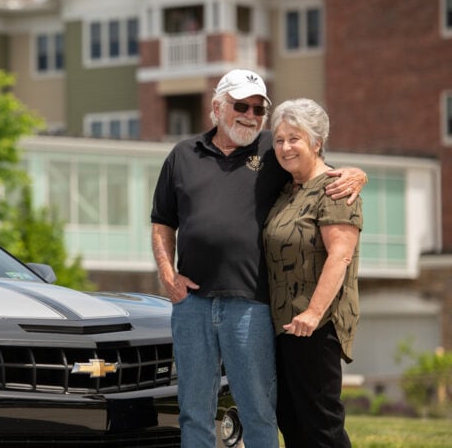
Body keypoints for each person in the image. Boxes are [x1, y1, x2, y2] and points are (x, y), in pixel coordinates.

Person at [150, 69, 366, 448]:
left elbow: (315, 166)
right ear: (216, 107)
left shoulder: (272, 149)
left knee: (260, 411)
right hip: (192, 303)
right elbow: (162, 222)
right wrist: (168, 275)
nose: (250, 115)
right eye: (241, 105)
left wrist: (358, 174)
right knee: (194, 411)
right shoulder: (182, 154)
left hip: (251, 306)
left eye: (258, 108)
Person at [263, 98, 362, 447]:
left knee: (321, 425)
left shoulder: (334, 188)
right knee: (292, 421)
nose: (285, 147)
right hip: (284, 325)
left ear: (317, 142)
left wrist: (314, 312)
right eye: (279, 139)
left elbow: (340, 255)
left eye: (295, 138)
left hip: (316, 327)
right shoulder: (287, 189)